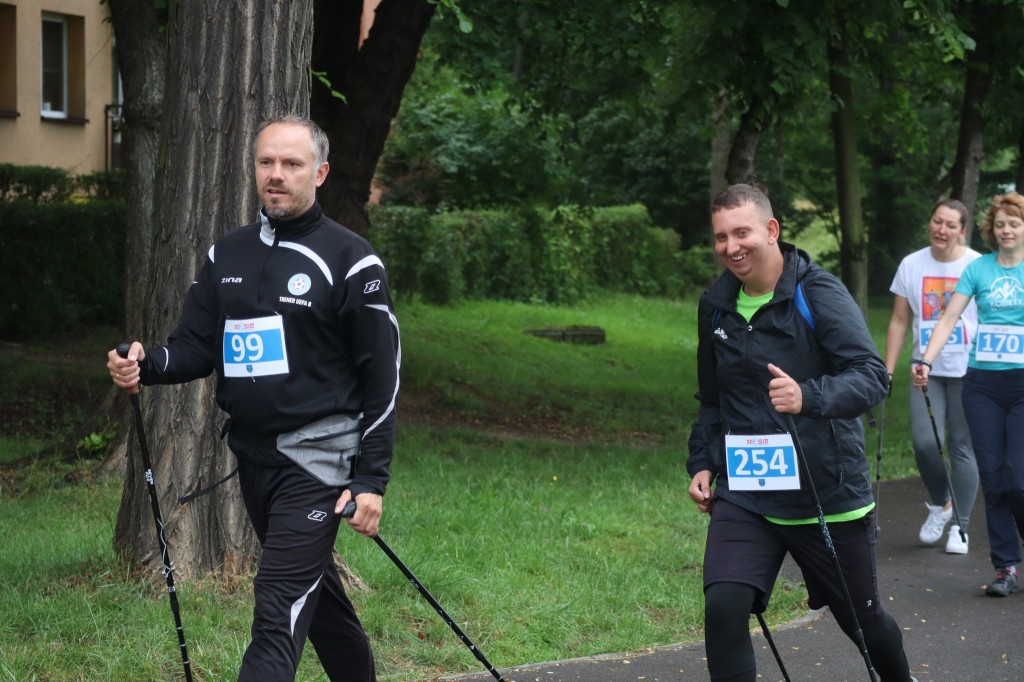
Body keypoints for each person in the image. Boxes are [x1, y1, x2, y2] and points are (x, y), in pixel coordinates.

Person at [107, 114, 399, 680]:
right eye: (266, 162)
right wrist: (145, 363)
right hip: (254, 460)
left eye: (291, 164)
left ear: (320, 172)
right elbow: (193, 348)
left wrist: (371, 479)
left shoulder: (351, 260)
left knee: (275, 608)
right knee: (319, 607)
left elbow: (382, 377)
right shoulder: (228, 255)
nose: (276, 175)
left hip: (318, 463)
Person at [687, 184, 914, 681]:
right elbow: (712, 399)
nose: (731, 247)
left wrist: (808, 397)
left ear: (771, 230)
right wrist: (703, 461)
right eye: (721, 237)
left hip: (824, 492)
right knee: (723, 607)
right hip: (748, 491)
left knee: (863, 622)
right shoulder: (717, 305)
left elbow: (872, 375)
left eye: (741, 232)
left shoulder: (818, 291)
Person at [914, 191, 1024, 597]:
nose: (1006, 230)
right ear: (991, 232)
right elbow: (948, 316)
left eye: (1014, 224)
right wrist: (925, 360)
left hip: (1022, 384)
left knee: (1019, 480)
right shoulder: (979, 269)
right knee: (994, 478)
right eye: (1000, 225)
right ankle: (1006, 567)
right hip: (982, 384)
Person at [885, 200, 981, 554]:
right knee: (925, 443)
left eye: (950, 225)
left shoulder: (976, 265)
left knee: (961, 448)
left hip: (968, 369)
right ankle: (942, 504)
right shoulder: (911, 264)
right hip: (924, 370)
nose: (942, 229)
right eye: (937, 221)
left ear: (962, 231)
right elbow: (898, 320)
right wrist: (888, 368)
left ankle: (961, 527)